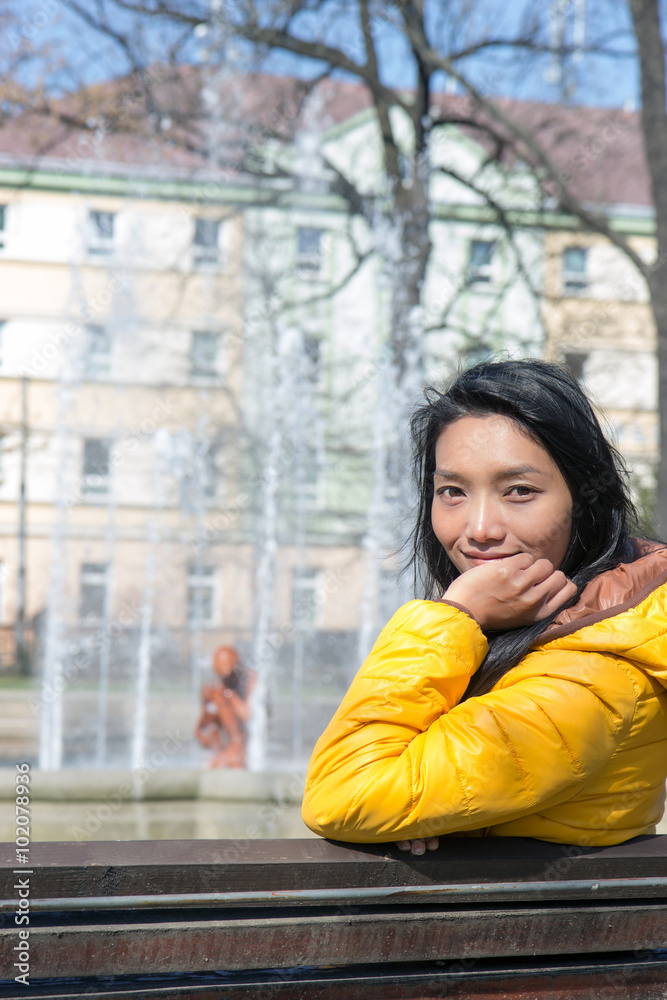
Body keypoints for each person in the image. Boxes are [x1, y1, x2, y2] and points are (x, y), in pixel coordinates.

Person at [302, 359, 667, 853]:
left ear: (586, 499)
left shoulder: (598, 675)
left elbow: (345, 794)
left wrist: (456, 616)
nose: (477, 529)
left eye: (519, 491)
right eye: (452, 491)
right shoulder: (554, 629)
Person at [195, 645, 256, 768]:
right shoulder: (214, 688)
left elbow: (248, 715)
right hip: (226, 733)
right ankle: (219, 749)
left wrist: (229, 695)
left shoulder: (249, 679)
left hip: (245, 730)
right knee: (213, 694)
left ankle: (237, 748)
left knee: (220, 694)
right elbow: (202, 725)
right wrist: (201, 732)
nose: (224, 679)